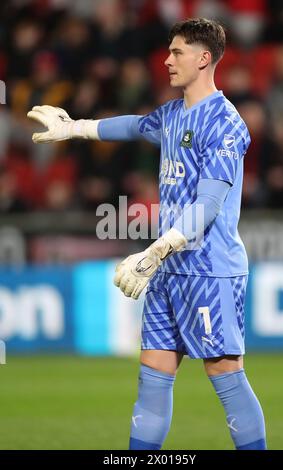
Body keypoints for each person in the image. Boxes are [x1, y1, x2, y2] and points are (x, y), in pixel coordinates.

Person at [27, 18, 267, 451]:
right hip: (169, 269)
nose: (167, 60)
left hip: (210, 271)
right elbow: (134, 126)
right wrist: (75, 127)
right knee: (153, 374)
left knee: (225, 374)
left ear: (203, 58)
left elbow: (208, 205)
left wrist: (154, 251)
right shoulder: (173, 115)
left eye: (177, 52)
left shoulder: (226, 125)